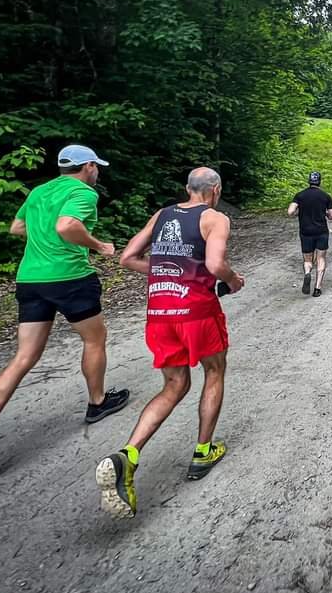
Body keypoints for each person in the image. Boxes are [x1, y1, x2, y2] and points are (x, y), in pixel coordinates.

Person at [0, 145, 129, 480]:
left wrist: (43, 238)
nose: (98, 172)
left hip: (30, 279)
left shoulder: (39, 191)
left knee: (23, 357)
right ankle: (97, 401)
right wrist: (98, 246)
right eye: (97, 166)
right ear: (88, 166)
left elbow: (17, 228)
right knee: (94, 339)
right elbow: (66, 226)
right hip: (70, 278)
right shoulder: (83, 192)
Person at [96, 167, 244, 519]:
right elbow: (214, 263)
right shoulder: (215, 218)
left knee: (174, 385)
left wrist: (167, 269)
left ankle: (127, 456)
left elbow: (127, 258)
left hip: (160, 310)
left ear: (187, 189)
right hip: (197, 310)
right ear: (216, 190)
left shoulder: (162, 214)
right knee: (214, 371)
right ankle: (203, 450)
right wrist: (233, 280)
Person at [288, 171, 332, 297]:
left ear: (308, 181)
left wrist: (299, 212)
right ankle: (317, 288)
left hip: (306, 232)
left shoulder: (300, 195)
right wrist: (325, 213)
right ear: (319, 181)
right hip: (321, 231)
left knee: (307, 259)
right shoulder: (325, 196)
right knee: (321, 258)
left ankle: (307, 272)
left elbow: (290, 212)